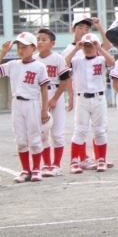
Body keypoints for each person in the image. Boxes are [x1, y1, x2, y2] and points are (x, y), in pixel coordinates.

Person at [61, 15, 112, 169]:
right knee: (80, 129)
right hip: (80, 92)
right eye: (80, 27)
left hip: (97, 95)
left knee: (99, 129)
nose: (84, 31)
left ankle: (99, 158)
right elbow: (65, 71)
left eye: (87, 28)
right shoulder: (72, 51)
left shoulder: (99, 55)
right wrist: (70, 96)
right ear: (73, 29)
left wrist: (100, 28)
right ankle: (80, 158)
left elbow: (108, 50)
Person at [0, 33, 50, 183]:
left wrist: (44, 110)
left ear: (33, 48)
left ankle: (36, 169)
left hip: (32, 103)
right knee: (20, 138)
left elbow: (44, 89)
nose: (20, 50)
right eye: (18, 47)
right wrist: (3, 52)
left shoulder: (39, 66)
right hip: (17, 104)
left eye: (24, 47)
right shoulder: (13, 65)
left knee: (34, 137)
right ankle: (25, 170)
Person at [34, 28, 72, 177]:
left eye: (44, 39)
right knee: (42, 133)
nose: (40, 42)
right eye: (38, 39)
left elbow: (65, 79)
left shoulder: (57, 58)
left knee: (56, 133)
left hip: (55, 92)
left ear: (52, 43)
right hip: (39, 95)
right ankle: (46, 164)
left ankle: (56, 165)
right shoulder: (34, 59)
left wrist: (55, 98)